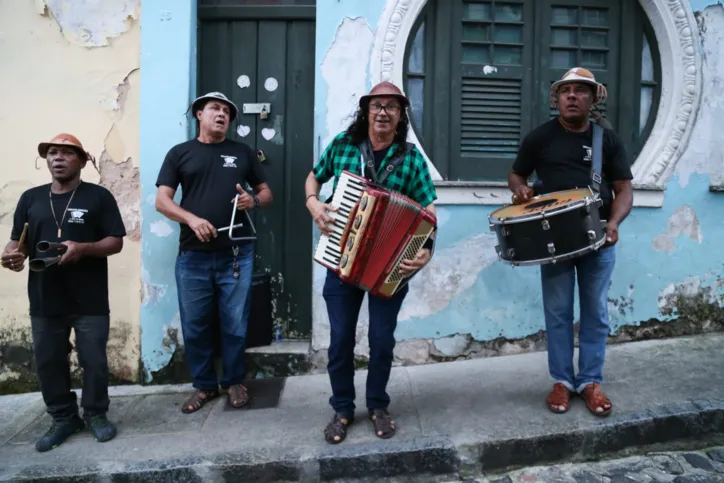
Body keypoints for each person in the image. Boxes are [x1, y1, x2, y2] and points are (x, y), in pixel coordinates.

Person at [304, 81, 438, 444]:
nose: (383, 112)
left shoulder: (410, 158)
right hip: (341, 261)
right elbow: (313, 178)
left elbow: (428, 212)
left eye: (391, 107)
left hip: (389, 269)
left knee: (381, 341)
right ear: (366, 111)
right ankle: (342, 409)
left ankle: (378, 404)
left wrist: (425, 251)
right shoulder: (343, 146)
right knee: (340, 340)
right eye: (377, 105)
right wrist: (314, 204)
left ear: (400, 116)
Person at [508, 67, 634, 417]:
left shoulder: (606, 139)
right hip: (554, 242)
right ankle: (562, 381)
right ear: (557, 98)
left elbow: (624, 188)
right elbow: (517, 173)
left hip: (599, 241)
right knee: (559, 313)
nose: (573, 96)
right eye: (566, 91)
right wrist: (519, 189)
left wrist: (614, 222)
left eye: (581, 91)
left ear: (593, 99)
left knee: (596, 314)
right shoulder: (540, 138)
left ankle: (590, 381)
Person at [1, 133, 126, 451]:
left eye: (67, 153)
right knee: (48, 361)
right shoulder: (31, 198)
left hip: (90, 298)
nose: (57, 158)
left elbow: (116, 240)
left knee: (94, 361)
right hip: (45, 298)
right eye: (52, 153)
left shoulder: (98, 197)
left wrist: (83, 248)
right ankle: (62, 417)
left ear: (83, 161)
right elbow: (19, 240)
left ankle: (96, 414)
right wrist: (12, 254)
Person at [155, 91, 273, 413]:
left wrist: (255, 201)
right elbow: (162, 201)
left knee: (234, 321)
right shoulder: (180, 153)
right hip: (192, 256)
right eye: (214, 109)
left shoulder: (242, 152)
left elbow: (266, 192)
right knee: (195, 324)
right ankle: (205, 386)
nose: (221, 115)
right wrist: (191, 219)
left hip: (236, 253)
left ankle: (235, 381)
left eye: (226, 111)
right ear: (199, 114)